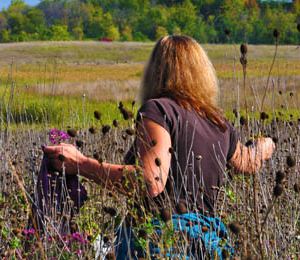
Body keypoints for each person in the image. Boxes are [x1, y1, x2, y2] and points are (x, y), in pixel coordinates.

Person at [43, 35, 275, 259]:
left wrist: (81, 164)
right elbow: (248, 162)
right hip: (209, 244)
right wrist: (265, 145)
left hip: (162, 241)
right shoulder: (217, 122)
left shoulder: (158, 110)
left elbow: (151, 181)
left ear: (156, 71)